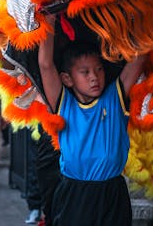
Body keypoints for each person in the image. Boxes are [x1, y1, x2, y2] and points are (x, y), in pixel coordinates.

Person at [38, 15, 146, 226]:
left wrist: (142, 11)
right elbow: (45, 64)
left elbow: (140, 58)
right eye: (84, 72)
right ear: (67, 79)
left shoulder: (115, 98)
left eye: (98, 69)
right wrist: (49, 20)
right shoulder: (64, 103)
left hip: (113, 192)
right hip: (74, 194)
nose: (94, 77)